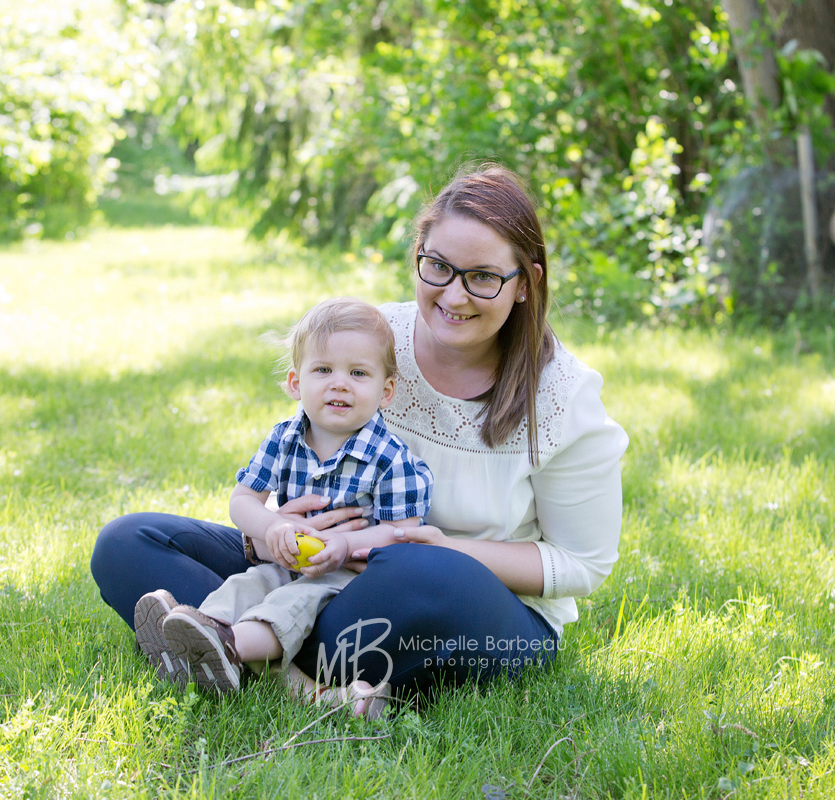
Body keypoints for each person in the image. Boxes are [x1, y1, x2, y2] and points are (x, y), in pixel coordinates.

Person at [90, 163, 628, 716]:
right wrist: (277, 530)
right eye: (438, 266)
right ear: (417, 254)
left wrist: (441, 547)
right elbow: (307, 455)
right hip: (322, 571)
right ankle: (283, 670)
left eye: (483, 277)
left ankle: (235, 646)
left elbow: (581, 564)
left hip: (471, 606)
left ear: (526, 284)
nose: (454, 295)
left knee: (419, 572)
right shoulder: (368, 340)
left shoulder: (563, 394)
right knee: (128, 542)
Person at [135, 297, 433, 698]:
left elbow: (401, 533)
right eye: (323, 369)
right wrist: (273, 524)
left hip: (344, 579)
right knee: (246, 584)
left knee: (286, 605)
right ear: (296, 383)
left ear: (386, 390)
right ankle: (201, 630)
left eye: (358, 373)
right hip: (286, 558)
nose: (339, 382)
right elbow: (242, 500)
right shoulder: (284, 438)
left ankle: (225, 650)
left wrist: (345, 544)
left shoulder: (391, 458)